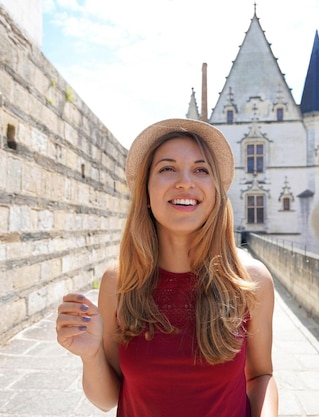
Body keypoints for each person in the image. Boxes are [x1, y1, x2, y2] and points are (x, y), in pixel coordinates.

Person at [56, 118, 278, 417]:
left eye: (201, 169)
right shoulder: (118, 280)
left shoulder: (250, 280)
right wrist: (91, 354)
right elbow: (107, 399)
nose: (185, 181)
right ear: (146, 193)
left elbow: (261, 376)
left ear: (215, 192)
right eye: (167, 168)